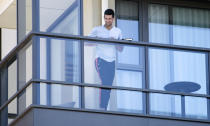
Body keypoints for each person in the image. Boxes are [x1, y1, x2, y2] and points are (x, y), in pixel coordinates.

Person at [89, 9, 122, 110]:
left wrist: (114, 41)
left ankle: (104, 108)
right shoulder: (97, 29)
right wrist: (100, 40)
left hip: (112, 61)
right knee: (104, 82)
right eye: (106, 19)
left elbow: (121, 49)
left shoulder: (118, 31)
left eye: (109, 19)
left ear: (113, 19)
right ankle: (101, 108)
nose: (107, 21)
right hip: (100, 59)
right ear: (104, 18)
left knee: (108, 85)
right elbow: (86, 43)